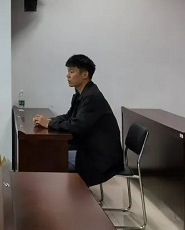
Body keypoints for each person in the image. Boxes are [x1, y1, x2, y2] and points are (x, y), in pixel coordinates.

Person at [33, 54, 123, 187]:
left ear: (85, 74)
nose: (67, 76)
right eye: (68, 71)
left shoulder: (92, 97)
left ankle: (69, 196)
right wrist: (49, 120)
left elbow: (77, 126)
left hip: (101, 157)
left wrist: (50, 123)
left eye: (72, 71)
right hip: (89, 149)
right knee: (49, 155)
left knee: (51, 160)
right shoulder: (81, 94)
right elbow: (69, 116)